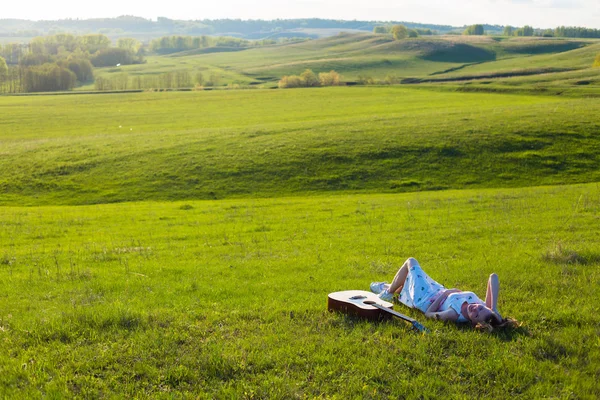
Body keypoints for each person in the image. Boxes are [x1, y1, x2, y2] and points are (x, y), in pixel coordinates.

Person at [370, 257, 516, 331]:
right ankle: (387, 287)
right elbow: (493, 277)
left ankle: (387, 292)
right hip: (435, 289)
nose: (476, 308)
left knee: (411, 262)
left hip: (425, 298)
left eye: (476, 314)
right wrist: (493, 309)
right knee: (403, 287)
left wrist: (446, 293)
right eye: (481, 308)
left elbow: (428, 314)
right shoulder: (484, 309)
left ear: (473, 322)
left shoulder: (454, 314)